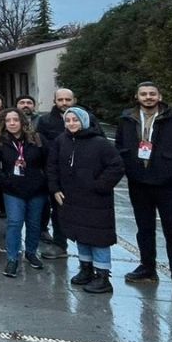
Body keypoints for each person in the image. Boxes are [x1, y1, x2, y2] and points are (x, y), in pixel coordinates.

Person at [116, 82, 172, 298]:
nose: (148, 97)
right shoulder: (127, 119)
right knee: (144, 228)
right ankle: (147, 267)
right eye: (144, 94)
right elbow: (119, 146)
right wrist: (128, 167)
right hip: (139, 182)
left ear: (160, 96)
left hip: (168, 185)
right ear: (137, 97)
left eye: (152, 94)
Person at [47, 107, 125, 294]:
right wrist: (55, 188)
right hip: (72, 197)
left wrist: (100, 185)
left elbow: (116, 166)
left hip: (96, 200)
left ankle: (102, 275)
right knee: (80, 234)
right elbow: (52, 165)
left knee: (98, 237)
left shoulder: (100, 143)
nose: (71, 123)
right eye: (68, 120)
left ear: (84, 121)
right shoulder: (61, 141)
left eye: (75, 120)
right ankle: (86, 268)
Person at [36, 88, 103, 260]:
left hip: (85, 175)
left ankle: (88, 253)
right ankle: (60, 244)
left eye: (68, 99)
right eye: (60, 100)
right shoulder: (45, 121)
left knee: (86, 214)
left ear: (74, 100)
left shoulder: (89, 118)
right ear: (54, 101)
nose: (64, 103)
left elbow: (101, 143)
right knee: (58, 212)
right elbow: (40, 147)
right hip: (58, 174)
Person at [0, 108, 48, 278]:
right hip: (13, 190)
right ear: (3, 123)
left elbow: (48, 161)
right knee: (14, 223)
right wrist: (5, 180)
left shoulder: (37, 139)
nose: (12, 123)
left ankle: (31, 253)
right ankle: (12, 258)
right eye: (8, 120)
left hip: (37, 189)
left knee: (34, 224)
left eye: (15, 120)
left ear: (22, 121)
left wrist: (44, 181)